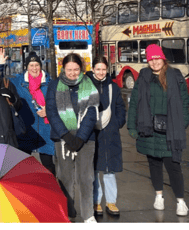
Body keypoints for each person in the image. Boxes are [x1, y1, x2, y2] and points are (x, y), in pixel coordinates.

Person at [127, 44, 189, 216]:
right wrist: (132, 126)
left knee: (174, 167)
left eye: (156, 58)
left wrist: (182, 122)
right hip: (149, 130)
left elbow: (184, 102)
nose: (154, 62)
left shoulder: (175, 76)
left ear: (163, 58)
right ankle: (159, 197)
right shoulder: (144, 77)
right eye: (151, 59)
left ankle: (180, 201)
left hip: (171, 130)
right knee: (154, 165)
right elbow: (134, 104)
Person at [46, 53, 99, 223]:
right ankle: (68, 214)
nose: (73, 73)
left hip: (85, 139)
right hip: (63, 139)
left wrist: (80, 138)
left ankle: (88, 215)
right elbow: (52, 112)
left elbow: (92, 113)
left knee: (86, 178)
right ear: (63, 68)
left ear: (81, 68)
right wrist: (67, 136)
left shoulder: (88, 85)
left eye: (76, 69)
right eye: (69, 69)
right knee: (65, 178)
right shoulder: (54, 85)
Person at [85, 56, 126, 217]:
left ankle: (111, 201)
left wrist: (117, 123)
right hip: (92, 132)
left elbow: (120, 107)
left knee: (109, 169)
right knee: (94, 169)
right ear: (93, 69)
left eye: (104, 69)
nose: (101, 72)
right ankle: (96, 201)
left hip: (110, 132)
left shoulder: (113, 87)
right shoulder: (86, 86)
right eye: (98, 69)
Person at [9, 51, 55, 175]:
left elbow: (58, 104)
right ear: (26, 67)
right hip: (27, 129)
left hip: (46, 130)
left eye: (37, 65)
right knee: (23, 167)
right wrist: (0, 65)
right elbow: (1, 82)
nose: (34, 68)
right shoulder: (18, 82)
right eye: (31, 65)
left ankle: (50, 191)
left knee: (48, 166)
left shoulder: (50, 83)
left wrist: (49, 110)